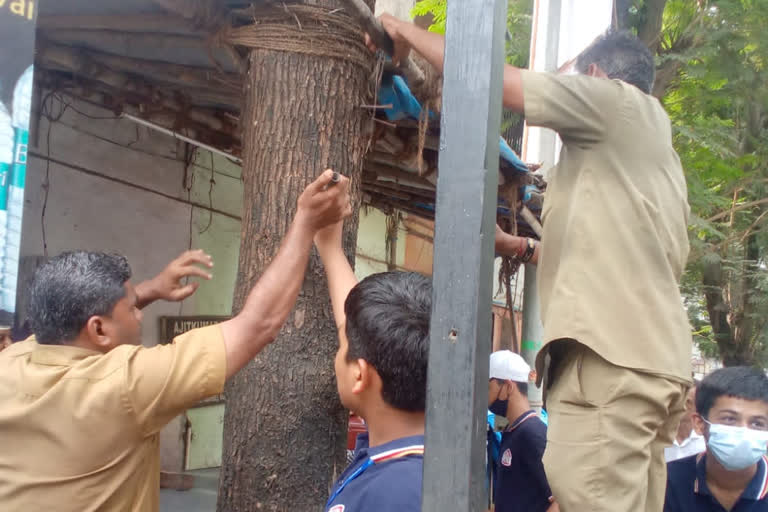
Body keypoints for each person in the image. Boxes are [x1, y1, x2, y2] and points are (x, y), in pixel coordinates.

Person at [365, 18, 692, 511]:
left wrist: (403, 31)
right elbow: (603, 257)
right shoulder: (650, 159)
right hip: (650, 365)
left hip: (610, 366)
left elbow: (497, 80)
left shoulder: (616, 105)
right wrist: (516, 247)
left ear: (596, 76)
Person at [0, 170, 351, 512]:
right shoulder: (124, 386)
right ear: (98, 330)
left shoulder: (14, 359)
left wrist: (148, 291)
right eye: (132, 309)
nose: (139, 315)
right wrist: (306, 223)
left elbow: (74, 319)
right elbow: (259, 325)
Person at [314, 218, 431, 512]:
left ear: (360, 375)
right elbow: (353, 327)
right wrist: (330, 248)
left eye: (342, 347)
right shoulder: (425, 465)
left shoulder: (394, 496)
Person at [665, 366, 768, 511]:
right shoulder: (669, 480)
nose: (744, 431)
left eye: (757, 423)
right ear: (699, 423)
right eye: (729, 419)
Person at [488, 350, 556, 512]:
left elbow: (560, 500)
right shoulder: (512, 431)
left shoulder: (532, 433)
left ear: (508, 387)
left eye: (488, 386)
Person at [665, 380, 706, 462]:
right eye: (676, 399)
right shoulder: (658, 438)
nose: (684, 406)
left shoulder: (706, 442)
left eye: (688, 401)